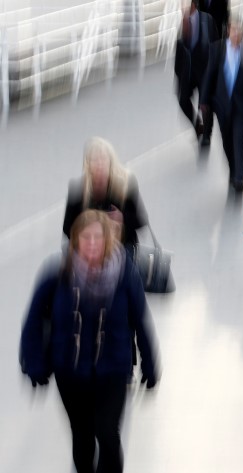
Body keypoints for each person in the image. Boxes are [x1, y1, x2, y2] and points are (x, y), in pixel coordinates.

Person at [20, 210, 160, 473]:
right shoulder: (56, 273)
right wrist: (34, 363)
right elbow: (33, 320)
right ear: (75, 240)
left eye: (98, 236)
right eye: (86, 237)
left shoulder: (125, 274)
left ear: (108, 239)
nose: (92, 243)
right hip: (70, 373)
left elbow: (141, 320)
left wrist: (151, 365)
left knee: (107, 433)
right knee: (82, 435)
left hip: (113, 371)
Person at [200, 20, 243, 193]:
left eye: (239, 31)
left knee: (239, 138)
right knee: (227, 141)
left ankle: (238, 177)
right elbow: (208, 75)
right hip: (222, 105)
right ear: (228, 31)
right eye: (233, 30)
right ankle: (235, 166)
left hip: (242, 106)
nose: (236, 34)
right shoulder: (217, 49)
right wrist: (204, 100)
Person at [63, 137, 149, 252]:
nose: (99, 164)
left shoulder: (126, 184)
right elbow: (67, 229)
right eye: (95, 159)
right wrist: (87, 227)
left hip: (121, 248)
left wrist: (121, 219)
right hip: (89, 251)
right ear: (87, 164)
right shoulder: (78, 189)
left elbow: (140, 221)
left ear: (111, 161)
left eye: (103, 158)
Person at [174, 0, 218, 147]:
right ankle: (197, 125)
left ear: (193, 5)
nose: (182, 7)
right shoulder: (183, 23)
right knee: (183, 100)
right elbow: (180, 49)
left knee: (205, 104)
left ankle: (207, 134)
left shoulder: (207, 21)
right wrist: (178, 75)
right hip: (189, 71)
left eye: (185, 4)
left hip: (205, 71)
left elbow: (216, 46)